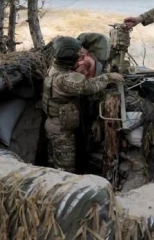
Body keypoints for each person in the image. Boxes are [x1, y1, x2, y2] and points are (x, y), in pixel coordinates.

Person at [42, 36, 124, 173]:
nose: (80, 56)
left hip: (54, 125)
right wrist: (108, 76)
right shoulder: (65, 79)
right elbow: (90, 86)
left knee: (54, 162)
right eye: (77, 55)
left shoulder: (55, 68)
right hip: (61, 132)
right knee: (64, 170)